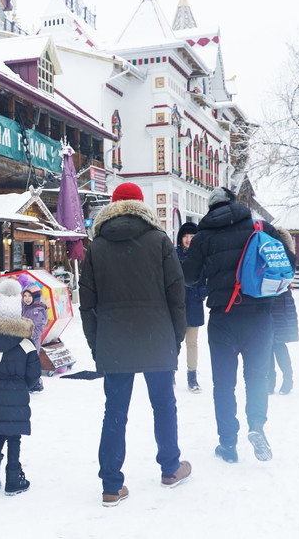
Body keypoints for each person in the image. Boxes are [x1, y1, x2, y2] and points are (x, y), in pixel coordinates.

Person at [79, 181, 191, 508]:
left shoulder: (97, 246)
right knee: (164, 405)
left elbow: (87, 304)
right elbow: (177, 296)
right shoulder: (160, 241)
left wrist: (96, 345)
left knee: (114, 412)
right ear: (142, 206)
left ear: (112, 207)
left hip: (114, 340)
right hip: (157, 338)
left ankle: (111, 485)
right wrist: (176, 339)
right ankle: (171, 468)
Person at [182, 186, 294, 464]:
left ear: (211, 208)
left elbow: (190, 278)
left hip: (223, 317)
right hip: (258, 317)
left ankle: (228, 444)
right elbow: (288, 261)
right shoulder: (260, 226)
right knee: (257, 377)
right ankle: (256, 426)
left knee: (223, 384)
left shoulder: (203, 236)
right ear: (235, 203)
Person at [0, 278, 42, 496]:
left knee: (2, 429)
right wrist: (23, 386)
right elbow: (34, 375)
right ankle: (13, 478)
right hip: (18, 395)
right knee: (14, 436)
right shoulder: (27, 344)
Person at [176, 222, 207, 393]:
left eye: (192, 237)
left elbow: (208, 277)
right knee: (175, 341)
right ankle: (170, 372)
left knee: (192, 343)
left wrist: (202, 292)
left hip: (194, 303)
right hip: (178, 305)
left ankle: (192, 377)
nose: (188, 240)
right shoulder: (174, 254)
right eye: (186, 237)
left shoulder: (202, 255)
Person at [268, 227, 299, 395]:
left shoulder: (286, 256)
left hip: (279, 301)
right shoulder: (289, 255)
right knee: (270, 343)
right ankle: (275, 380)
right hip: (277, 301)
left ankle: (286, 378)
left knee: (276, 343)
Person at [21, 283, 48, 393]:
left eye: (30, 296)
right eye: (25, 295)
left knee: (31, 363)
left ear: (35, 297)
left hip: (32, 341)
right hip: (25, 339)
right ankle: (29, 382)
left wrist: (28, 336)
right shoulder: (26, 306)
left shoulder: (37, 310)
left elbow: (38, 329)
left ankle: (36, 384)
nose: (27, 298)